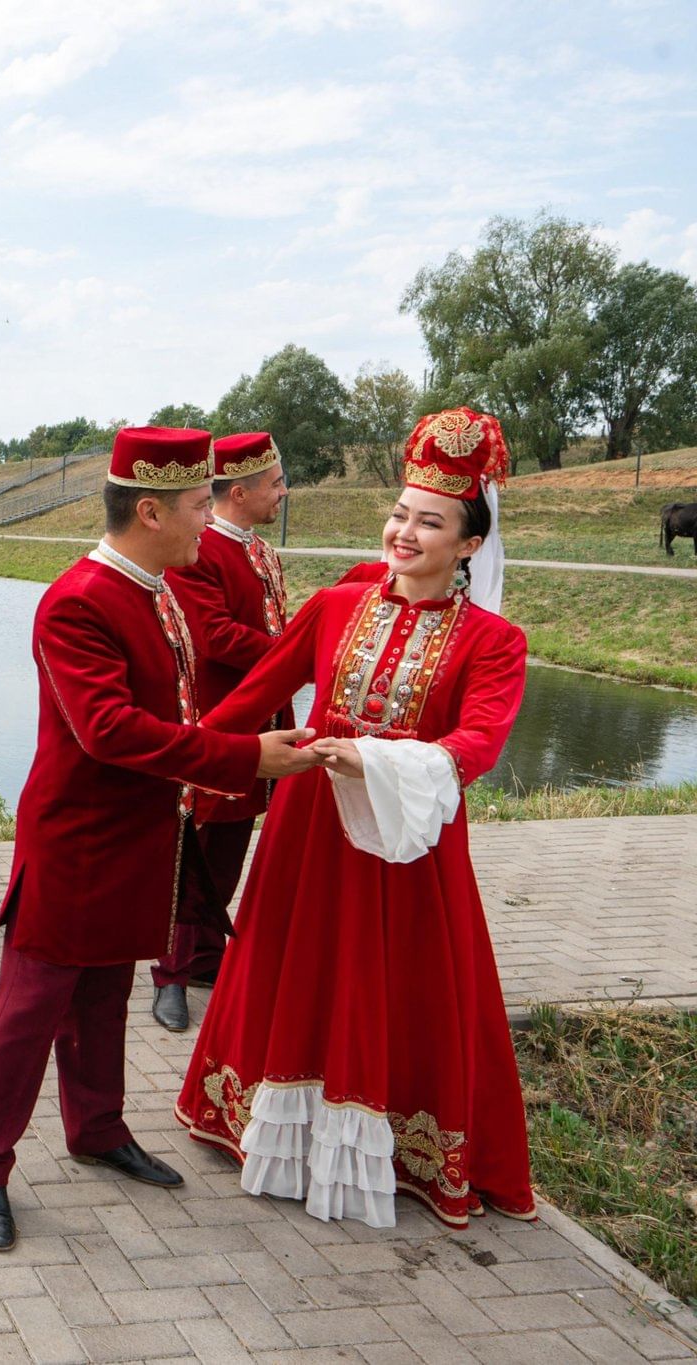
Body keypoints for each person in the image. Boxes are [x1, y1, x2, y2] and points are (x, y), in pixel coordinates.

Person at [0, 428, 320, 1252]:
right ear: (150, 510)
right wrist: (241, 756)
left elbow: (179, 707)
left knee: (104, 994)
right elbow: (109, 730)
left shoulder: (155, 585)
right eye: (198, 506)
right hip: (78, 841)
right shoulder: (79, 599)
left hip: (136, 834)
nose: (209, 519)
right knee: (31, 1009)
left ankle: (97, 1127)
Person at [175, 407, 537, 1230]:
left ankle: (390, 1146)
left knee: (395, 982)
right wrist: (188, 758)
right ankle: (273, 1126)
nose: (405, 532)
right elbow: (253, 689)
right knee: (298, 965)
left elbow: (476, 744)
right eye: (402, 512)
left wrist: (373, 759)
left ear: (470, 544)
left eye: (431, 521)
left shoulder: (494, 642)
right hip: (309, 824)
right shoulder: (339, 603)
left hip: (407, 842)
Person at [150, 432, 292, 1032]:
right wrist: (297, 654)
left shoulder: (257, 549)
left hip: (258, 720)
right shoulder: (200, 550)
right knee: (196, 850)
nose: (284, 493)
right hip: (216, 720)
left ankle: (207, 959)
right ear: (241, 491)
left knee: (231, 845)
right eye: (276, 484)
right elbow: (216, 636)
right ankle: (171, 975)